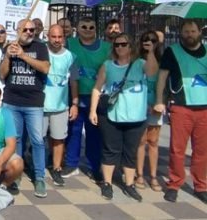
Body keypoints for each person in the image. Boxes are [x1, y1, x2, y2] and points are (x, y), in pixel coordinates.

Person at [89, 33, 157, 202]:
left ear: (130, 46)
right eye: (117, 45)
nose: (120, 47)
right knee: (110, 150)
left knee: (130, 152)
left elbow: (152, 72)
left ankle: (129, 184)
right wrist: (93, 111)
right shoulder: (107, 65)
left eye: (123, 44)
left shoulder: (140, 64)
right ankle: (107, 183)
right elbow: (97, 88)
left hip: (136, 117)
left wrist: (151, 52)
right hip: (112, 115)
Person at [155, 19, 207, 204]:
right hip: (181, 106)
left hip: (204, 108)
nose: (189, 34)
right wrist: (159, 100)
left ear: (199, 32)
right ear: (181, 33)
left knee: (202, 150)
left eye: (193, 31)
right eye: (186, 31)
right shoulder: (172, 51)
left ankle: (201, 186)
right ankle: (174, 184)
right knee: (177, 149)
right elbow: (162, 77)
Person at [0, 19, 50, 197]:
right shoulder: (9, 47)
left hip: (33, 102)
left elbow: (45, 68)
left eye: (32, 30)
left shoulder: (40, 47)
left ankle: (40, 177)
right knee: (15, 140)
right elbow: (2, 74)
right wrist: (8, 57)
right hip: (12, 101)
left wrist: (23, 56)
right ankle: (16, 174)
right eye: (26, 29)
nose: (29, 33)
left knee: (37, 140)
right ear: (18, 30)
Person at [63, 16, 111, 181]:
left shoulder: (106, 47)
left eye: (91, 27)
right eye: (84, 27)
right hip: (75, 95)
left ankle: (94, 167)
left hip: (96, 97)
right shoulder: (70, 44)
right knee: (73, 131)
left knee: (94, 134)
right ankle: (71, 164)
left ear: (96, 29)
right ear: (77, 28)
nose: (88, 30)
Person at [44, 24, 78, 187]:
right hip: (41, 105)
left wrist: (75, 103)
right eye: (53, 36)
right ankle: (38, 168)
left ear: (64, 38)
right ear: (48, 37)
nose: (57, 40)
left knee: (58, 138)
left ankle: (56, 168)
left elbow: (74, 81)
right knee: (39, 139)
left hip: (61, 106)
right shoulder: (42, 52)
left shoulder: (70, 56)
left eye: (60, 37)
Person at [136, 30, 164, 192]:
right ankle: (139, 174)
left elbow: (164, 83)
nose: (149, 43)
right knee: (141, 141)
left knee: (153, 141)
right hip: (140, 105)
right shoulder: (137, 61)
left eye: (152, 40)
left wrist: (159, 103)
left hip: (156, 105)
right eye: (145, 40)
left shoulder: (162, 60)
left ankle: (153, 176)